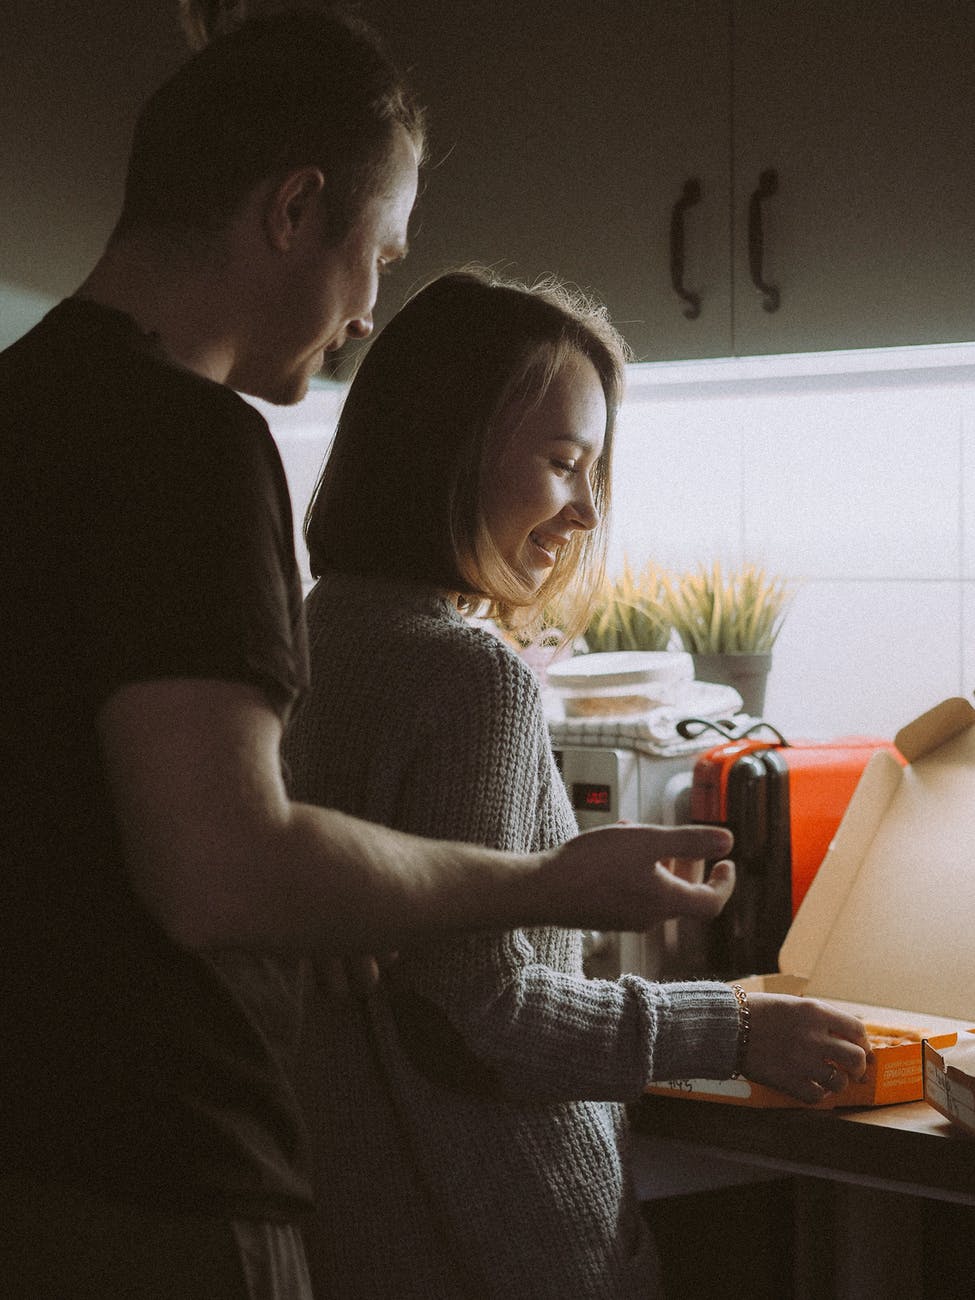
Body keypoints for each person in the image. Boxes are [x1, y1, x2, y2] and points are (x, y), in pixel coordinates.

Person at [0, 8, 742, 1296]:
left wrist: (318, 894)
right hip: (164, 1176)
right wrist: (555, 884)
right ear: (294, 208)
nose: (362, 317)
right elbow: (220, 872)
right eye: (377, 256)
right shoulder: (190, 444)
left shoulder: (22, 413)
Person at [281, 268, 872, 1298]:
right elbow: (485, 1016)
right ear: (448, 448)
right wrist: (732, 1027)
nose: (589, 509)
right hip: (496, 1241)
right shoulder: (468, 678)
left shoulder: (302, 638)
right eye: (563, 463)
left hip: (354, 1226)